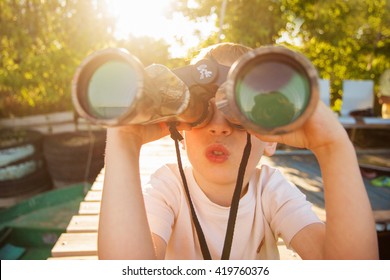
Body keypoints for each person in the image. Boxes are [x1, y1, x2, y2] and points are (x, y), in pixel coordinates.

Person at [98, 42, 379, 260]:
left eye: (241, 114)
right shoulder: (168, 187)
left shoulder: (271, 191)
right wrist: (124, 141)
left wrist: (332, 146)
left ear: (272, 139)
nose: (219, 128)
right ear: (180, 130)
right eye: (201, 112)